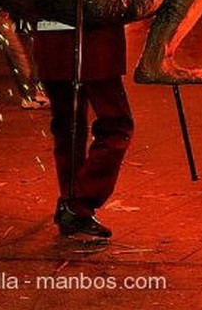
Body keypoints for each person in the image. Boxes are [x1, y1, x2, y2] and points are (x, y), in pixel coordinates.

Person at [33, 17, 134, 240]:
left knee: (68, 126)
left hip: (51, 43)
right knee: (116, 124)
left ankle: (73, 203)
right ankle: (78, 202)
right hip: (94, 45)